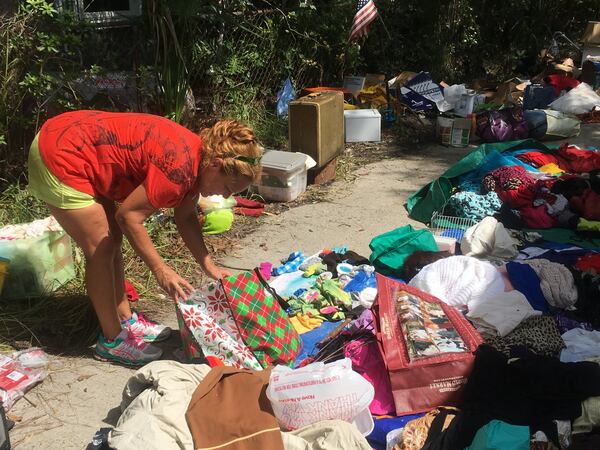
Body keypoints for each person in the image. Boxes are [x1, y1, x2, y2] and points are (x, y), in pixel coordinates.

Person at [27, 110, 263, 366]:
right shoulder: (178, 170)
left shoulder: (198, 162)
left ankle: (125, 320)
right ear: (215, 164)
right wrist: (161, 270)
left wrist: (209, 266)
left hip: (80, 145)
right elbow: (128, 217)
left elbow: (185, 217)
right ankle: (111, 340)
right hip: (61, 152)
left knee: (112, 239)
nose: (225, 197)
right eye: (227, 187)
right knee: (102, 246)